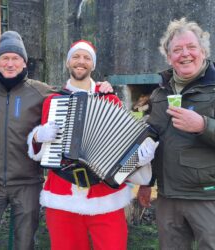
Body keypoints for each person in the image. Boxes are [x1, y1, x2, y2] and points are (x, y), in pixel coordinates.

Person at [0, 31, 113, 250]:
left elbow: (76, 96)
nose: (10, 63)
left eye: (15, 58)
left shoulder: (41, 91)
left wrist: (99, 88)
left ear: (24, 62)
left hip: (27, 183)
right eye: (5, 58)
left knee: (25, 244)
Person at [137, 18, 215, 249]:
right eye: (177, 50)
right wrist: (146, 182)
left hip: (208, 196)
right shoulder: (160, 93)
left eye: (191, 47)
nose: (185, 54)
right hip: (169, 197)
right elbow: (153, 143)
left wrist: (204, 125)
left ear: (203, 51)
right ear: (169, 57)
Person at [27, 40, 158, 250]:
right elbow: (41, 151)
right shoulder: (53, 102)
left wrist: (139, 157)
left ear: (93, 65)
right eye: (76, 57)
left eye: (87, 58)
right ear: (68, 62)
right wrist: (37, 138)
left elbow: (123, 147)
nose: (81, 62)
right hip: (63, 194)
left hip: (105, 194)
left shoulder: (110, 99)